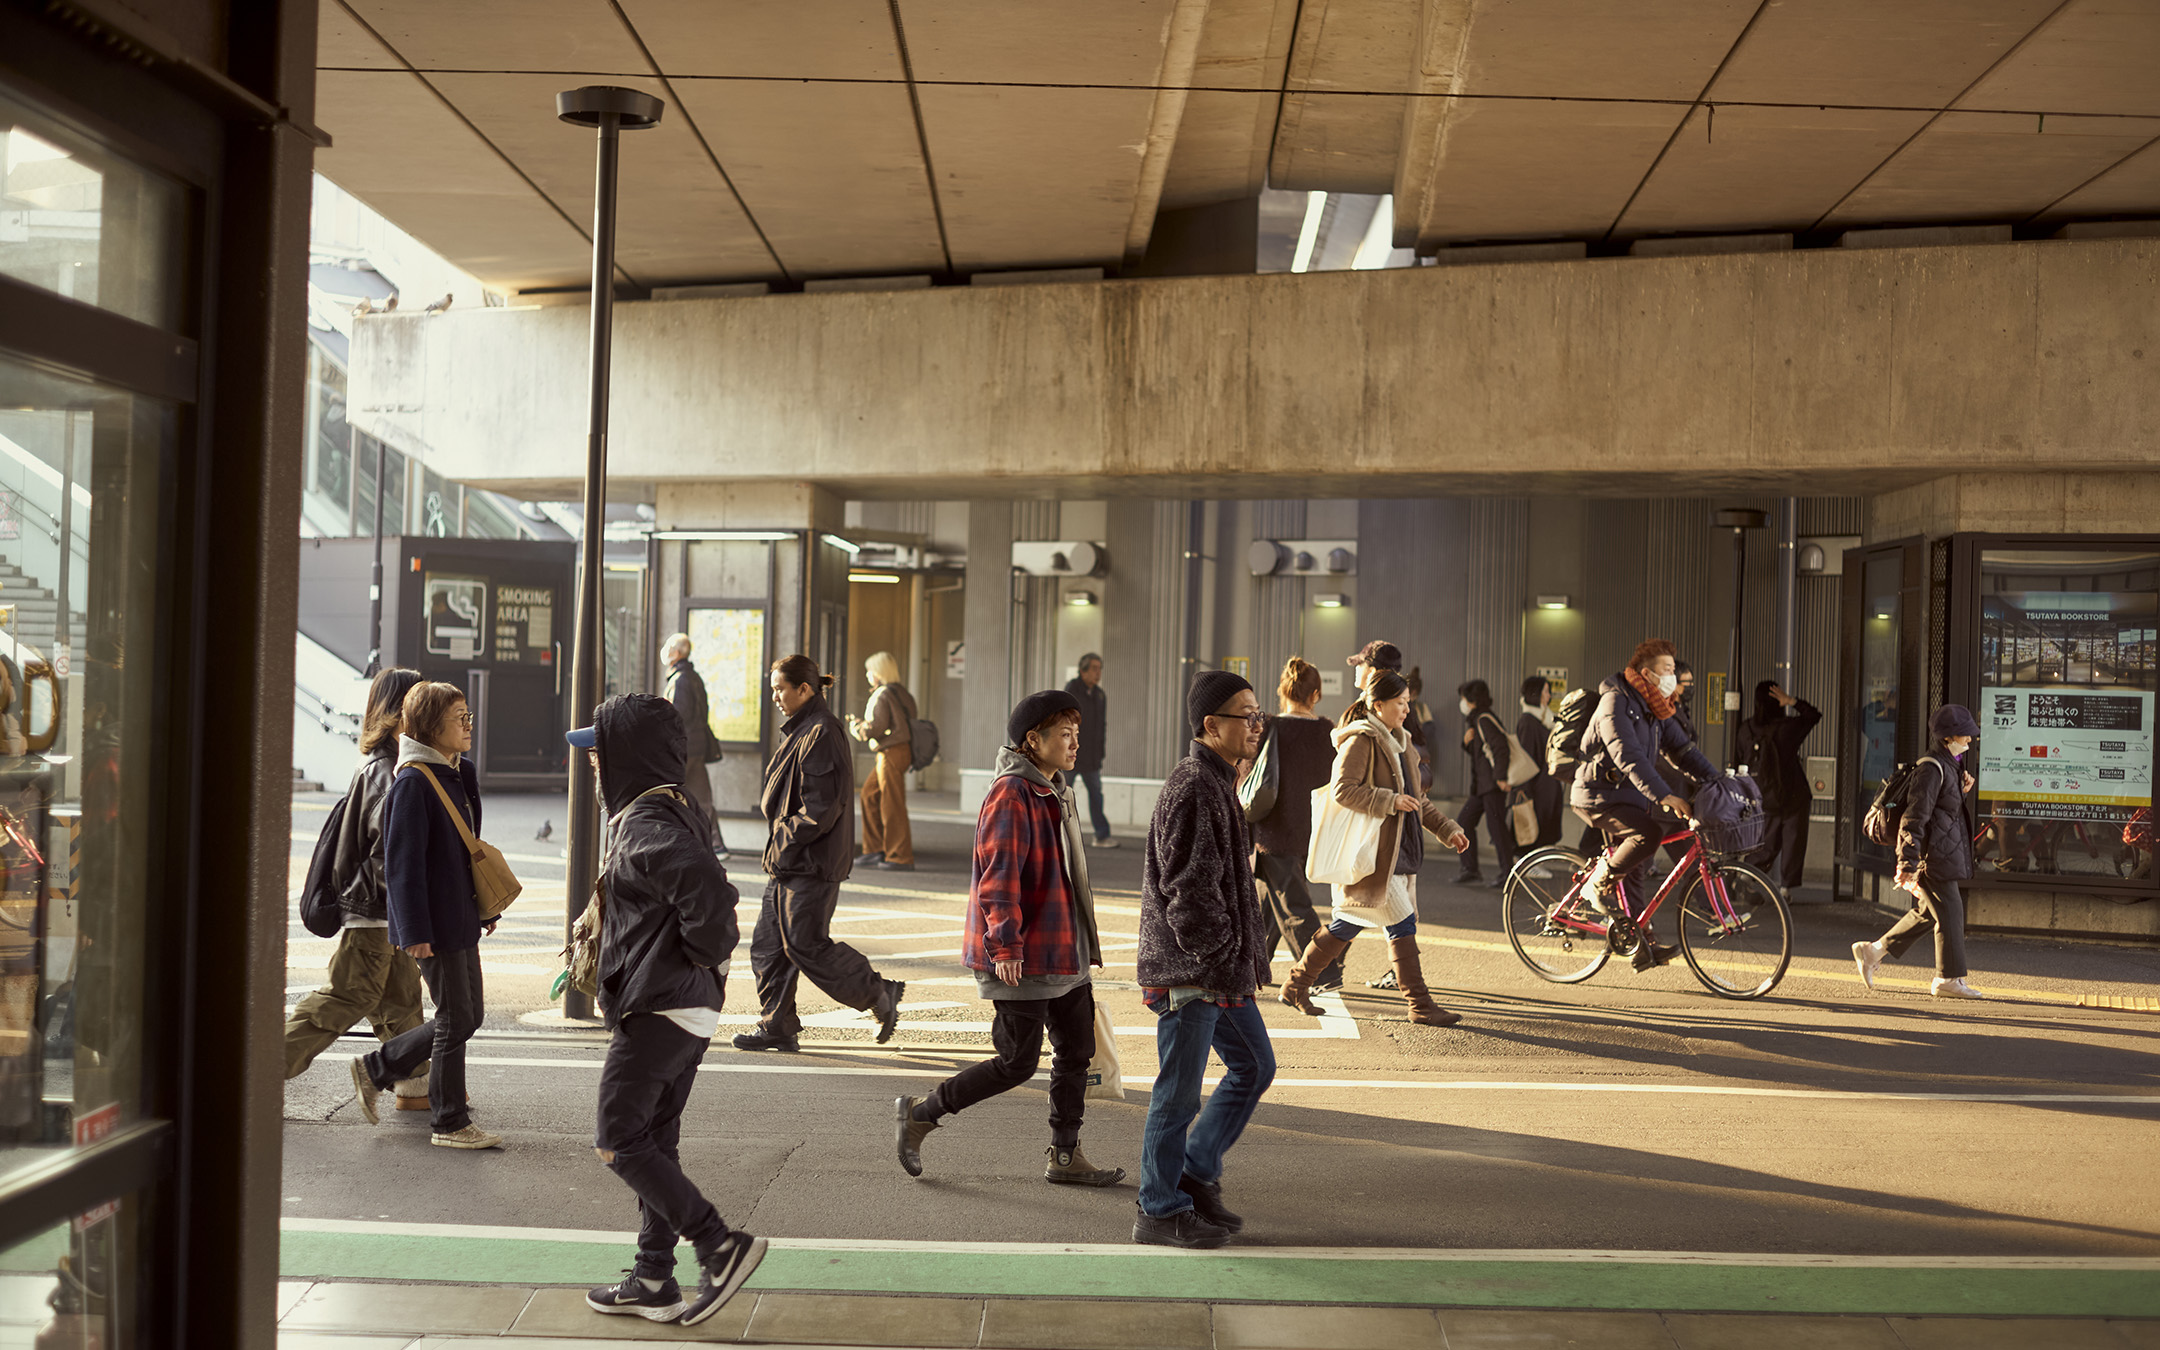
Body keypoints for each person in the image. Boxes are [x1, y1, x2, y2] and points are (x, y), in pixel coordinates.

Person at [571, 694, 765, 1327]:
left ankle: (718, 1245)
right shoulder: (675, 808)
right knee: (655, 1138)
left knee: (617, 1137)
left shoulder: (642, 823)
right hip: (687, 1005)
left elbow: (707, 893)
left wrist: (700, 953)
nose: (593, 764)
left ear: (626, 757)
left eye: (599, 752)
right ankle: (654, 1277)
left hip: (662, 1006)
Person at [893, 690, 1124, 1187]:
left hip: (1064, 949)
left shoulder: (1055, 789)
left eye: (1076, 735)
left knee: (1077, 1051)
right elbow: (999, 877)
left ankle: (1065, 1154)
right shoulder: (1012, 793)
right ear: (1032, 741)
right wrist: (1006, 946)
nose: (1074, 743)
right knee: (1017, 1062)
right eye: (1064, 735)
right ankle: (921, 1113)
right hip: (1026, 953)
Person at [1132, 670, 1275, 1250]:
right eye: (1246, 715)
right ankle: (1158, 1208)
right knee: (1178, 1093)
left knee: (1254, 1066)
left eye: (1258, 713)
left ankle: (1193, 1173)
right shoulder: (1194, 786)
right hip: (1192, 973)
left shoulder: (1218, 782)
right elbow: (1189, 896)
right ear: (1210, 726)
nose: (1256, 724)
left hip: (1218, 971)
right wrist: (1219, 958)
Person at [349, 681, 502, 1149]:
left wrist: (481, 906)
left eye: (468, 717)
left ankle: (377, 1068)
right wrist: (412, 930)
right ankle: (450, 1122)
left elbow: (466, 848)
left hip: (459, 915)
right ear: (433, 726)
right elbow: (402, 867)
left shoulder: (461, 772)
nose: (468, 726)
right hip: (432, 924)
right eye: (460, 718)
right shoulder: (411, 783)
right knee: (456, 1017)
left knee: (469, 1015)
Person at [1278, 668, 1471, 1026]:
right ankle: (1420, 1004)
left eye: (1408, 703)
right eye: (1400, 703)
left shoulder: (1402, 742)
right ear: (1378, 705)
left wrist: (1447, 829)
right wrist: (1388, 800)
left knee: (1346, 924)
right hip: (1375, 856)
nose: (1406, 710)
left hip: (1394, 852)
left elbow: (1416, 799)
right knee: (1401, 923)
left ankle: (1296, 985)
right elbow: (1342, 790)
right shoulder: (1361, 740)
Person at [734, 655, 904, 1053]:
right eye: (773, 687)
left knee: (805, 943)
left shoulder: (821, 732)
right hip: (790, 859)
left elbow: (820, 808)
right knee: (768, 944)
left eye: (780, 688)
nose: (775, 695)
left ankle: (879, 993)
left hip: (810, 861)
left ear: (804, 689)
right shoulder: (803, 728)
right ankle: (777, 1024)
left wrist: (784, 842)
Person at [286, 668, 429, 1107]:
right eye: (420, 703)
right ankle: (263, 1067)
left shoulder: (386, 764)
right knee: (348, 996)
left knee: (401, 999)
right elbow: (391, 855)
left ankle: (417, 1086)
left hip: (384, 909)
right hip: (376, 909)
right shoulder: (388, 772)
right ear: (401, 712)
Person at [1571, 640, 1721, 974]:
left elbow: (1682, 750)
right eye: (1668, 670)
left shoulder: (1655, 706)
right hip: (1597, 793)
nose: (1673, 675)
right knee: (1648, 833)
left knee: (1636, 867)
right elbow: (1628, 754)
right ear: (1646, 673)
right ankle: (1598, 885)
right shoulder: (1615, 702)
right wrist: (1664, 795)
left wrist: (1716, 780)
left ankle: (1641, 945)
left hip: (1629, 796)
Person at [1853, 705, 1985, 1000]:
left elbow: (1941, 809)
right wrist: (1908, 863)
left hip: (1939, 851)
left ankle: (1872, 951)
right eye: (1966, 735)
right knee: (1950, 913)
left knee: (1929, 912)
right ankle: (1948, 979)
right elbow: (1914, 819)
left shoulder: (1949, 765)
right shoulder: (1931, 768)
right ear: (1949, 737)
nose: (1970, 740)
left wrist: (1961, 789)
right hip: (1931, 856)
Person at [1248, 658, 1342, 992]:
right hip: (1314, 829)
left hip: (1275, 831)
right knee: (1266, 901)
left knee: (1292, 905)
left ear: (1282, 691)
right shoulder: (1327, 731)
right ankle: (1252, 965)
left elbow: (1250, 774)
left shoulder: (1270, 727)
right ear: (1315, 694)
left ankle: (1325, 969)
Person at [1737, 681, 1823, 900]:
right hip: (1794, 795)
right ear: (1778, 702)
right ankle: (1785, 889)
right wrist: (1792, 701)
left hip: (1764, 795)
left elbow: (1740, 760)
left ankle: (1747, 876)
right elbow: (1813, 715)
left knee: (1767, 841)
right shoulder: (1787, 728)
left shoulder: (1746, 730)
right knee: (1793, 842)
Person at [661, 633, 729, 860]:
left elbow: (676, 715)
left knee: (668, 792)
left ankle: (669, 841)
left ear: (677, 653)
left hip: (684, 747)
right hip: (698, 746)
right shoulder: (693, 677)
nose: (665, 651)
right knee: (702, 797)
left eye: (668, 647)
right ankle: (717, 845)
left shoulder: (679, 680)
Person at [847, 650, 916, 872]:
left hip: (890, 753)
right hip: (900, 751)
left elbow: (875, 727)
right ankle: (874, 849)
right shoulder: (902, 693)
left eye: (869, 671)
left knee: (891, 804)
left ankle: (899, 856)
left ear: (878, 672)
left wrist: (856, 727)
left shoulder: (882, 694)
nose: (867, 676)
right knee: (869, 794)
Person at [1453, 679, 1517, 888]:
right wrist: (1466, 744)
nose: (1461, 703)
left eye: (1463, 698)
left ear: (1471, 700)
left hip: (1492, 786)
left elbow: (1500, 748)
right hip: (1482, 787)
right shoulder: (1477, 720)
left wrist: (1501, 778)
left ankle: (1508, 873)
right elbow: (1481, 753)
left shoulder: (1484, 720)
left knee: (1496, 828)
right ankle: (1470, 869)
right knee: (1464, 822)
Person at [1066, 653, 1116, 848]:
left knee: (1096, 794)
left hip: (1092, 758)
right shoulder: (1072, 690)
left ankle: (1102, 835)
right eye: (1094, 668)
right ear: (1083, 671)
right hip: (1071, 755)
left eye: (1100, 668)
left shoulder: (1100, 695)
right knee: (1063, 796)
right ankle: (1057, 834)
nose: (1098, 673)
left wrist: (1100, 752)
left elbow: (1101, 726)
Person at [1518, 675, 1563, 848]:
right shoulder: (1528, 722)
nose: (1549, 696)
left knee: (1545, 824)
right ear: (1535, 694)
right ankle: (1530, 863)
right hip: (1537, 785)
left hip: (1547, 783)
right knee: (1535, 823)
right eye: (1545, 692)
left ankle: (1537, 861)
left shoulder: (1544, 720)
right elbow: (1527, 759)